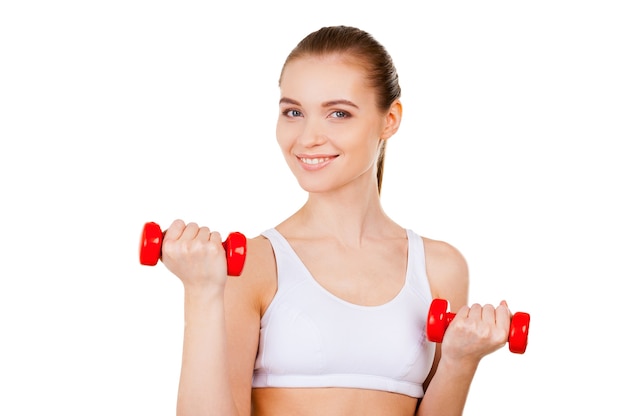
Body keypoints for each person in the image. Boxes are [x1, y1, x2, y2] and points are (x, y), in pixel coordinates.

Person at [160, 25, 512, 416]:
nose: (308, 137)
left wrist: (461, 362)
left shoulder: (440, 267)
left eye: (338, 113)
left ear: (389, 120)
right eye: (293, 112)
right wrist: (201, 292)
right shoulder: (255, 264)